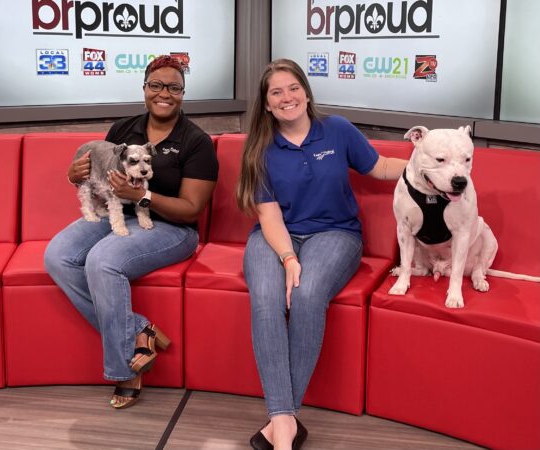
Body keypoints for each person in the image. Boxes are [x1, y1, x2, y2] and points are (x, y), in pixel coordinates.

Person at [236, 59, 407, 450]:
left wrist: (429, 167)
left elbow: (378, 167)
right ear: (265, 104)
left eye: (292, 87)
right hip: (275, 236)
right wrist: (288, 259)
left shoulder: (337, 130)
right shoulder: (260, 148)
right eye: (276, 92)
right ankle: (286, 425)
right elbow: (269, 214)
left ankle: (281, 421)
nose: (286, 97)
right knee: (267, 300)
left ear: (306, 92)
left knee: (308, 295)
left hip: (336, 234)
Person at [44, 55, 218, 410]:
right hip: (117, 214)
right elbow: (100, 182)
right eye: (156, 85)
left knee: (103, 261)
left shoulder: (196, 141)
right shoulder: (122, 131)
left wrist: (143, 195)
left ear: (183, 93)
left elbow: (191, 208)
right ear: (144, 89)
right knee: (57, 256)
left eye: (173, 87)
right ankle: (139, 330)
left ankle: (124, 368)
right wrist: (74, 175)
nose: (164, 93)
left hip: (172, 228)